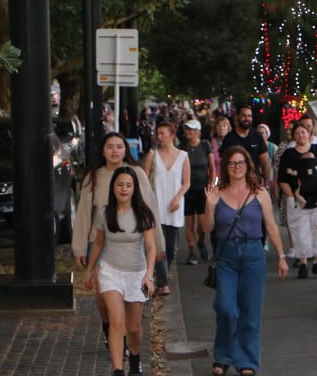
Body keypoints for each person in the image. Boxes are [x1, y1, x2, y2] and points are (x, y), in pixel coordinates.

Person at [73, 132, 165, 350]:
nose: (114, 151)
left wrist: (158, 244)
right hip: (101, 242)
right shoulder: (93, 177)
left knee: (129, 299)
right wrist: (79, 248)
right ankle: (110, 327)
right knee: (102, 296)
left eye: (119, 146)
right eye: (109, 147)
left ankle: (123, 336)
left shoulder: (138, 174)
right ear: (103, 151)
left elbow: (151, 208)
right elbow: (84, 214)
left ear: (126, 150)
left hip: (133, 243)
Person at [202, 146, 289, 376]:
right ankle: (222, 355)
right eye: (232, 164)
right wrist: (209, 207)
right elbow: (207, 228)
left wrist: (281, 256)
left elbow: (271, 226)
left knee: (250, 312)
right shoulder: (217, 193)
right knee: (225, 308)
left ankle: (247, 361)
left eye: (240, 163)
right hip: (226, 255)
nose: (236, 167)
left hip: (253, 253)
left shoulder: (259, 193)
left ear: (248, 166)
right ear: (226, 167)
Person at [84, 166, 157, 376]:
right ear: (113, 187)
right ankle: (117, 369)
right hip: (110, 272)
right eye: (119, 184)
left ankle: (135, 357)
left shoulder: (143, 213)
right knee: (117, 322)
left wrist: (148, 275)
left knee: (133, 327)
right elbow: (98, 243)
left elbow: (151, 247)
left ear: (134, 189)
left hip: (137, 273)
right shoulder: (104, 212)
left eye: (128, 185)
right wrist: (89, 270)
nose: (123, 189)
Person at [279, 119, 317, 279]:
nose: (301, 135)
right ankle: (302, 262)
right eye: (297, 133)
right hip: (297, 199)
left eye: (304, 132)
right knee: (300, 232)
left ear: (309, 134)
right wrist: (291, 197)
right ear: (294, 136)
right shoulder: (289, 154)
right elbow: (283, 178)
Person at [147, 122, 190, 296]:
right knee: (160, 245)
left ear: (172, 135)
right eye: (158, 133)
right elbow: (144, 179)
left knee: (171, 247)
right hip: (157, 204)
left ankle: (162, 269)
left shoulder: (183, 156)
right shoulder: (153, 155)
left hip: (174, 205)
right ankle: (163, 283)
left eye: (163, 133)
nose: (160, 137)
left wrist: (178, 197)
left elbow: (186, 182)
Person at [183, 118, 216, 265]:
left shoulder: (205, 145)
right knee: (189, 222)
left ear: (197, 132)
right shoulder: (182, 147)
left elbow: (212, 167)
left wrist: (212, 183)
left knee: (202, 223)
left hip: (202, 187)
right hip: (187, 189)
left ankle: (201, 242)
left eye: (191, 129)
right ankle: (191, 251)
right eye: (187, 129)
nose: (188, 132)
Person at [220, 104, 272, 184]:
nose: (247, 119)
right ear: (237, 117)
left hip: (255, 182)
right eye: (243, 116)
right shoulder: (229, 138)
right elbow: (224, 163)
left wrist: (266, 180)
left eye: (249, 116)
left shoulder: (257, 136)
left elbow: (264, 161)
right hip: (234, 183)